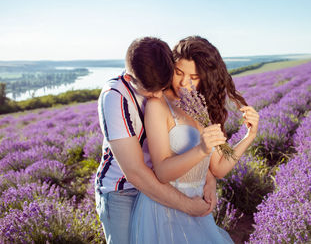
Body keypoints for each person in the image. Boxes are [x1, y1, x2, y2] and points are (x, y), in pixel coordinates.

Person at [130, 36, 260, 243]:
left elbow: (218, 168)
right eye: (179, 72)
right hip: (164, 210)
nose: (184, 82)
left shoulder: (202, 106)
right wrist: (201, 149)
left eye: (194, 77)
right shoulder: (158, 105)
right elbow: (162, 172)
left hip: (197, 209)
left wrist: (249, 136)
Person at [95, 37, 222, 244]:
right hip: (124, 191)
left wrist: (208, 178)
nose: (157, 95)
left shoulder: (162, 77)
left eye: (162, 87)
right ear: (129, 78)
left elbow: (185, 140)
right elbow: (135, 173)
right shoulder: (115, 97)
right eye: (150, 90)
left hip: (167, 184)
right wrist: (188, 206)